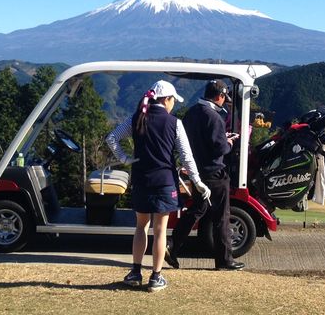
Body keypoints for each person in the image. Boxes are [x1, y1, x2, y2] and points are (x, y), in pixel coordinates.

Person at [105, 80, 211, 292]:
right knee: (160, 230)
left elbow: (112, 138)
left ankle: (135, 272)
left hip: (141, 180)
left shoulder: (136, 118)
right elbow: (186, 157)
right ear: (167, 99)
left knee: (140, 227)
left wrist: (125, 159)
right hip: (165, 182)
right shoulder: (174, 123)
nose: (174, 104)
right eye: (173, 100)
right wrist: (198, 182)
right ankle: (156, 277)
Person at [165, 79, 245, 271]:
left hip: (197, 171)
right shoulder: (214, 117)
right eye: (224, 97)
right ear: (219, 96)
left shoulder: (192, 113)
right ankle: (224, 260)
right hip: (214, 173)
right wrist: (229, 143)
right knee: (221, 216)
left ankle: (172, 246)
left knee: (197, 210)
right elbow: (219, 148)